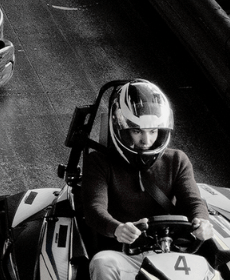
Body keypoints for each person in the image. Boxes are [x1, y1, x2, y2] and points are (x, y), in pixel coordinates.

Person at [77, 79, 214, 280]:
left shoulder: (177, 160)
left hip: (173, 253)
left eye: (152, 131)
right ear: (120, 129)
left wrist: (202, 221)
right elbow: (94, 209)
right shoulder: (99, 162)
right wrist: (117, 228)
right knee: (102, 262)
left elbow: (193, 201)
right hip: (125, 253)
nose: (146, 141)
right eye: (137, 131)